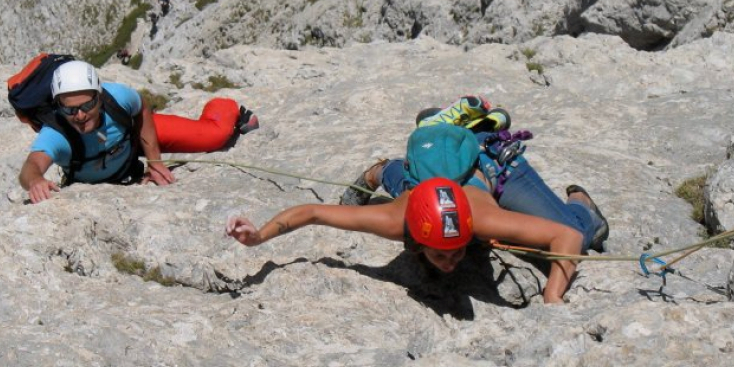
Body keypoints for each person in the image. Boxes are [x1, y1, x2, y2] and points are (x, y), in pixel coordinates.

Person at [226, 124, 608, 304]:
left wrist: (551, 295)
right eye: (441, 253)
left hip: (490, 167)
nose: (450, 262)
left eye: (457, 250)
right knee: (404, 178)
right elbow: (312, 212)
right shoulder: (396, 219)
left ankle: (581, 201)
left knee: (580, 229)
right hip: (417, 180)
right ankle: (384, 170)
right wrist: (259, 236)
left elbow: (567, 240)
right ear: (416, 240)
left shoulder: (482, 220)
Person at [20, 60, 259, 203]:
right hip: (128, 148)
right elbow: (31, 167)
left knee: (214, 136)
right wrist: (36, 181)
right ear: (58, 106)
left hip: (135, 138)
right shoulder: (58, 131)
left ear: (99, 97)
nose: (80, 116)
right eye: (70, 109)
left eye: (87, 105)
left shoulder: (117, 97)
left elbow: (141, 108)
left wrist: (154, 161)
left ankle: (225, 107)